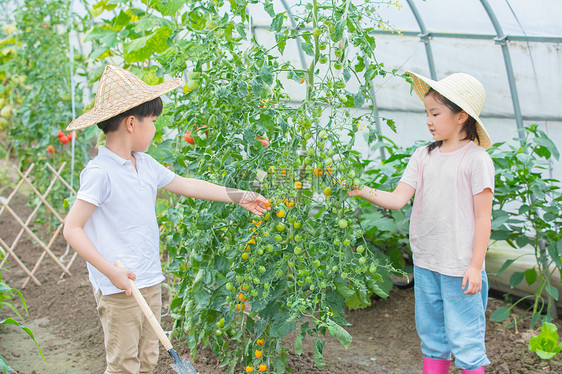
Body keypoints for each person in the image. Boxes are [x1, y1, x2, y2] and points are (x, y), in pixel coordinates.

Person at [63, 65, 270, 374]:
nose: (156, 129)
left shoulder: (145, 164)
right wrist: (111, 272)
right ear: (132, 123)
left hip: (148, 279)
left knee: (147, 361)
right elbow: (72, 228)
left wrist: (238, 195)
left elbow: (187, 184)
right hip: (117, 286)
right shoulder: (100, 172)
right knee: (123, 365)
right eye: (154, 121)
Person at [351, 72, 494, 374]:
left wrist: (475, 265)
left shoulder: (476, 159)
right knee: (431, 336)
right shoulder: (423, 155)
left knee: (465, 339)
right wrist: (360, 189)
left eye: (435, 113)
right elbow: (397, 199)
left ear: (461, 116)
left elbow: (483, 216)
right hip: (427, 261)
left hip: (460, 266)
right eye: (427, 113)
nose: (428, 120)